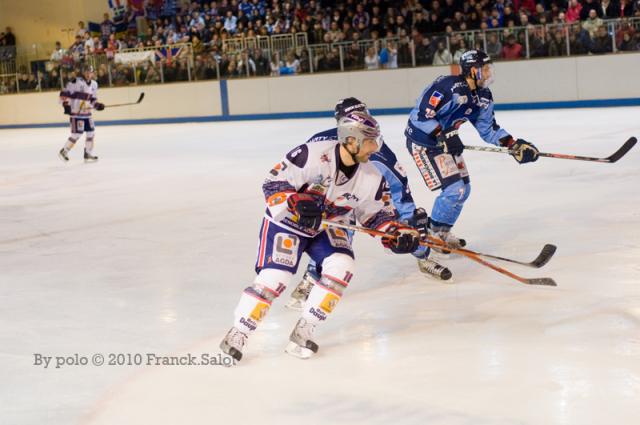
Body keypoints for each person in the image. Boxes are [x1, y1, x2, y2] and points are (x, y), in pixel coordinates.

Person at [220, 110, 422, 361]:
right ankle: (238, 332)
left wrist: (395, 233)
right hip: (289, 222)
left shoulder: (372, 176)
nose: (375, 146)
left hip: (330, 223)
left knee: (342, 266)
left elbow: (376, 215)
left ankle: (305, 328)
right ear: (351, 140)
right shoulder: (312, 155)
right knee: (275, 277)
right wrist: (295, 200)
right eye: (370, 140)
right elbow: (272, 184)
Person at [287, 98, 451, 311]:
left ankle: (422, 255)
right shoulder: (321, 142)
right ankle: (312, 277)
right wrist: (300, 200)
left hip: (368, 196)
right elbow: (301, 171)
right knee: (333, 236)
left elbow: (397, 185)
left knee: (404, 228)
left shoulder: (376, 149)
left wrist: (409, 218)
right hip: (334, 199)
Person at [404, 50, 539, 279]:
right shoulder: (447, 87)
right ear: (472, 70)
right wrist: (443, 134)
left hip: (447, 142)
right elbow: (421, 116)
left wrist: (513, 144)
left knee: (464, 189)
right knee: (453, 189)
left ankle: (441, 231)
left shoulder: (484, 96)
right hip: (424, 142)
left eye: (489, 68)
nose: (488, 73)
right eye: (484, 69)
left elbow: (488, 129)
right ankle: (432, 236)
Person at [58, 66, 104, 162]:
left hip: (87, 114)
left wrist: (97, 105)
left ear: (93, 73)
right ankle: (64, 151)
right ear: (83, 72)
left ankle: (88, 153)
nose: (88, 74)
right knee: (77, 134)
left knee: (91, 133)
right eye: (86, 71)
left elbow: (92, 99)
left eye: (90, 72)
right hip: (76, 113)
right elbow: (63, 94)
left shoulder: (94, 84)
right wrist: (66, 105)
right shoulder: (76, 82)